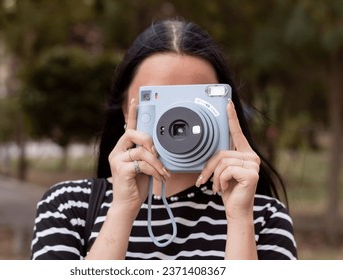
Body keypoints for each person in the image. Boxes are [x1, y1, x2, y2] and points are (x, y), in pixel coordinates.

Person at [30, 19, 297, 260]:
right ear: (126, 109)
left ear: (226, 108)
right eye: (157, 99)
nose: (177, 118)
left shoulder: (263, 217)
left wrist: (240, 220)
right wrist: (123, 209)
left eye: (195, 101)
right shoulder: (67, 207)